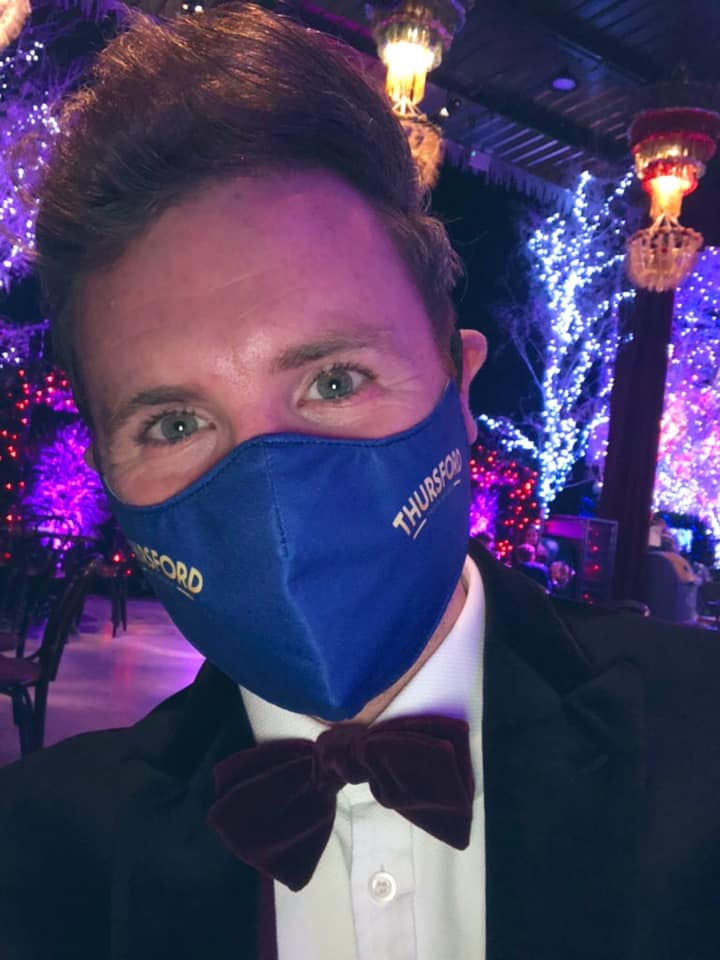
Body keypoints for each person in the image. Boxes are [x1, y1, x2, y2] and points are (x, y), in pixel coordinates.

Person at [1, 6, 720, 960]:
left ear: (460, 388)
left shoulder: (703, 749)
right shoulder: (38, 856)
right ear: (108, 474)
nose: (274, 497)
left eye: (335, 381)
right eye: (173, 424)